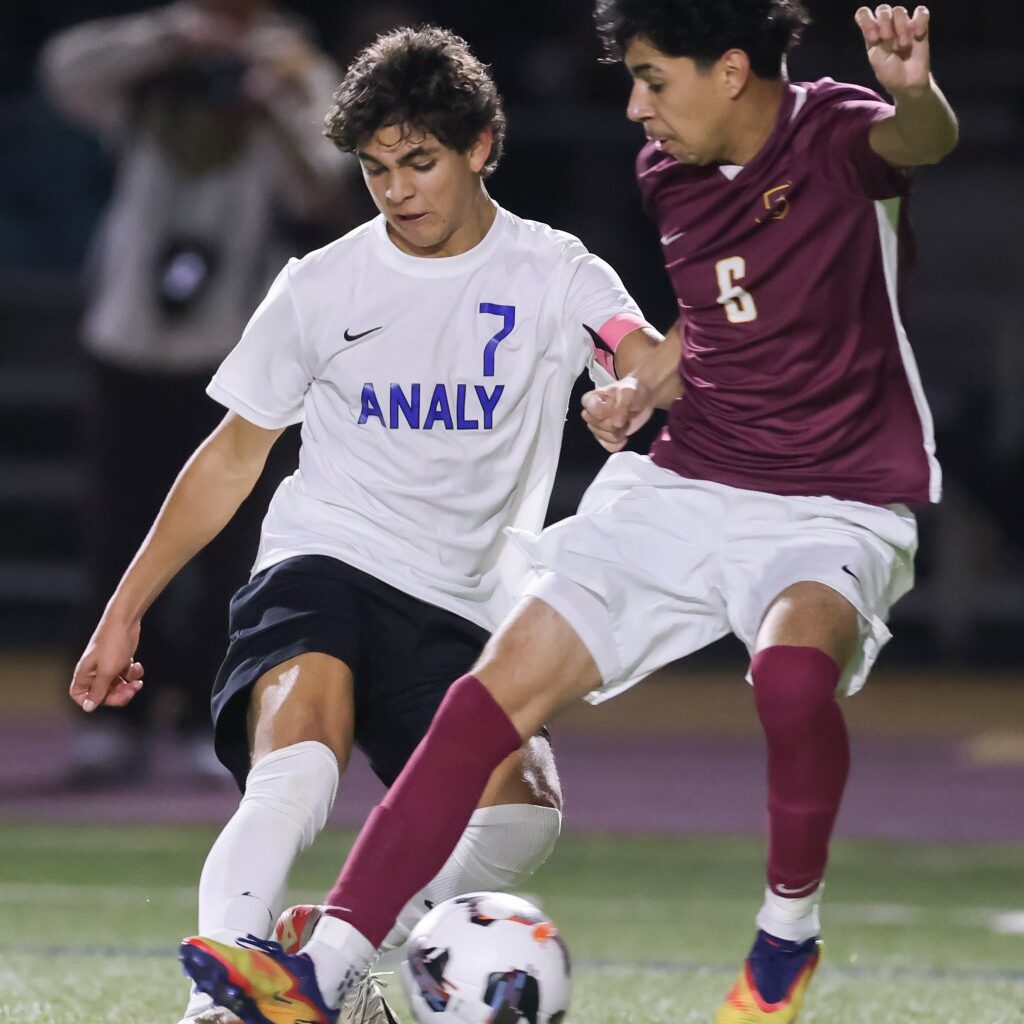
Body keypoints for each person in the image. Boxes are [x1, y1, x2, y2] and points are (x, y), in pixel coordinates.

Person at [176, 2, 959, 1023]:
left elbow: (921, 138)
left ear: (728, 71)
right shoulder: (670, 178)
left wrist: (914, 87)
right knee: (486, 701)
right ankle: (319, 972)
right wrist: (646, 389)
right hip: (686, 484)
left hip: (833, 500)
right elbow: (719, 315)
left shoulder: (836, 131)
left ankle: (785, 936)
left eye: (651, 78)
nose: (635, 107)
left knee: (792, 677)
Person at [69, 24, 671, 1024]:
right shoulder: (321, 283)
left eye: (420, 162)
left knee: (525, 814)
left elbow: (634, 352)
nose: (395, 189)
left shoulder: (557, 272)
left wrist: (625, 397)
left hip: (468, 601)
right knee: (299, 752)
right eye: (375, 167)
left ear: (482, 145)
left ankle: (334, 954)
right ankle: (221, 997)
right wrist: (125, 608)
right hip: (326, 561)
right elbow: (232, 455)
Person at [43, 0, 346, 784]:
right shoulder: (160, 57)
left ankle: (211, 713)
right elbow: (63, 74)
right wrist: (172, 39)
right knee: (118, 533)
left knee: (231, 556)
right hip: (128, 339)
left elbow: (326, 179)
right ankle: (113, 718)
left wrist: (274, 89)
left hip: (232, 351)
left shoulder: (289, 65)